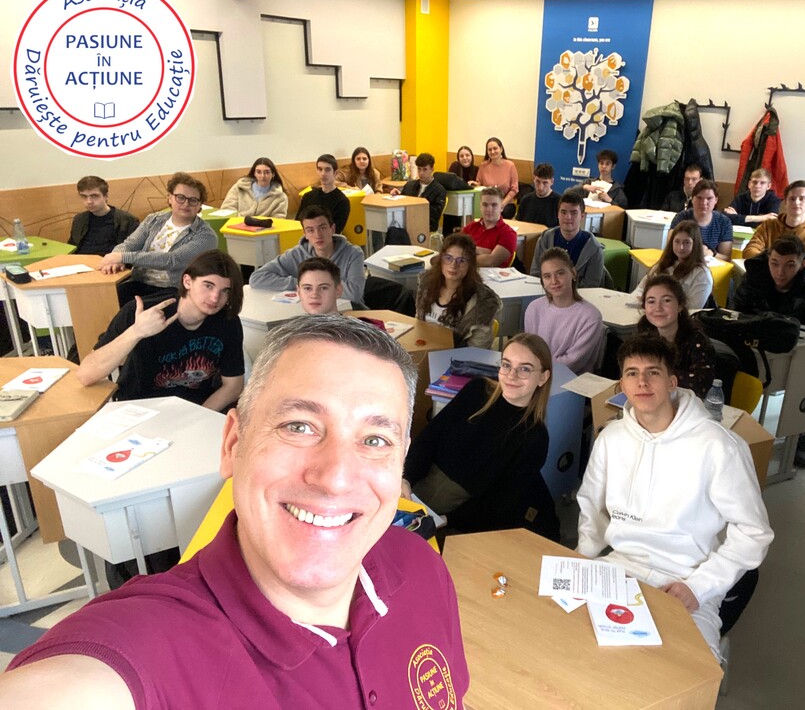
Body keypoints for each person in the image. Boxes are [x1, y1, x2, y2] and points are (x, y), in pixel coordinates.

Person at [2, 315, 470, 708]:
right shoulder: (151, 646)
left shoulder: (422, 566)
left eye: (375, 440)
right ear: (232, 444)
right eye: (299, 425)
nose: (335, 477)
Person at [576, 335, 772, 661]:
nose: (642, 382)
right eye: (632, 373)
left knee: (681, 671)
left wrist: (699, 586)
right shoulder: (611, 439)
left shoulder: (719, 447)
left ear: (672, 382)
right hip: (618, 568)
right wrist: (582, 557)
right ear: (622, 385)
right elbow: (591, 506)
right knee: (566, 647)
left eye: (653, 372)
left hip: (687, 582)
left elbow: (754, 532)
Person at [402, 333, 555, 538]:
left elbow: (500, 504)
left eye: (524, 369)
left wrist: (448, 520)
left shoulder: (535, 438)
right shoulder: (477, 390)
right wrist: (406, 477)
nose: (511, 375)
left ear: (543, 377)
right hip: (416, 487)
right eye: (506, 365)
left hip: (459, 518)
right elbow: (430, 437)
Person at [78, 250, 245, 412]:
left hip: (194, 407)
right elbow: (86, 374)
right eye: (208, 286)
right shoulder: (141, 311)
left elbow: (233, 385)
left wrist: (199, 415)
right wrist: (136, 331)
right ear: (187, 281)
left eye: (225, 291)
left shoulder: (228, 321)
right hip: (139, 408)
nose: (215, 297)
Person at [731, 235, 805, 468]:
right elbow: (737, 312)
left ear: (802, 263)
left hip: (796, 345)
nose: (780, 272)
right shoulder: (755, 275)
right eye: (774, 263)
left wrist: (783, 331)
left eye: (789, 265)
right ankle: (733, 424)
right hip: (755, 342)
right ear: (768, 259)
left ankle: (798, 433)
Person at [100, 172, 218, 303]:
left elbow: (172, 260)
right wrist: (115, 258)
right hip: (139, 281)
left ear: (200, 205)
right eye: (180, 197)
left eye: (193, 200)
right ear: (170, 198)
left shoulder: (206, 235)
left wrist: (123, 257)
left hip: (173, 290)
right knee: (105, 298)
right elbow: (130, 243)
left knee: (130, 309)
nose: (186, 204)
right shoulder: (154, 220)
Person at [249, 206, 365, 306]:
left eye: (322, 228)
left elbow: (354, 293)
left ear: (332, 229)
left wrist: (312, 286)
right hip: (309, 312)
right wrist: (302, 284)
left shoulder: (353, 254)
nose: (318, 235)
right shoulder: (297, 254)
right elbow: (257, 278)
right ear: (305, 234)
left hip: (349, 311)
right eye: (310, 230)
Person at [525, 248, 604, 374]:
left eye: (560, 273)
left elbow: (573, 362)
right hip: (536, 375)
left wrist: (537, 367)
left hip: (572, 379)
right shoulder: (534, 308)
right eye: (547, 276)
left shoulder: (591, 317)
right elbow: (529, 349)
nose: (554, 281)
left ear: (573, 273)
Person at [636, 274, 716, 398]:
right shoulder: (643, 333)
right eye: (651, 301)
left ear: (680, 306)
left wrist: (654, 372)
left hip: (686, 404)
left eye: (666, 300)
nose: (658, 308)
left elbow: (701, 386)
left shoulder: (697, 341)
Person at [415, 232, 501, 348]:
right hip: (424, 350)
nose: (453, 265)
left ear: (470, 264)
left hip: (458, 357)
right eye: (448, 258)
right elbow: (419, 323)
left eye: (461, 260)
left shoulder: (482, 303)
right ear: (441, 260)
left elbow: (477, 350)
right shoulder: (426, 284)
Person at [742, 180, 805, 271]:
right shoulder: (768, 226)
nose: (796, 202)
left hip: (801, 278)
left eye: (802, 199)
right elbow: (750, 250)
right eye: (792, 199)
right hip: (770, 274)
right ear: (785, 202)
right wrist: (772, 262)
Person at [630, 220, 714, 309]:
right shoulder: (664, 264)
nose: (681, 247)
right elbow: (641, 288)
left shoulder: (702, 274)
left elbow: (693, 308)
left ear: (695, 245)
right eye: (677, 241)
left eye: (686, 243)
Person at [530, 190, 605, 288]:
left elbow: (591, 285)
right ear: (558, 214)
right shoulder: (545, 240)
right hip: (547, 293)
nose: (568, 217)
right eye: (563, 212)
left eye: (574, 213)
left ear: (582, 216)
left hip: (579, 295)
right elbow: (535, 274)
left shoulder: (594, 248)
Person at [68, 175, 139, 256]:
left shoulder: (127, 220)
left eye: (94, 196)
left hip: (110, 261)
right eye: (84, 196)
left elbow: (134, 252)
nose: (89, 201)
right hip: (80, 261)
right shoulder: (79, 219)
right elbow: (72, 248)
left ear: (106, 196)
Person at [668, 179, 734, 261]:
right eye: (699, 198)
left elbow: (726, 258)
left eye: (709, 198)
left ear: (716, 200)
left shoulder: (724, 222)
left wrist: (712, 254)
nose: (704, 203)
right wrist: (696, 250)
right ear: (692, 199)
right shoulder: (681, 218)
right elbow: (670, 248)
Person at [390, 152, 447, 232]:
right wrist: (397, 196)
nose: (421, 173)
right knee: (392, 226)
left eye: (425, 169)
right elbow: (402, 203)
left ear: (432, 169)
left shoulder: (439, 190)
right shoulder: (410, 185)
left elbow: (434, 215)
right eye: (419, 169)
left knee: (396, 230)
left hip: (426, 224)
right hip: (407, 221)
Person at [461, 186, 517, 267]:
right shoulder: (470, 227)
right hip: (468, 272)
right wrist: (488, 251)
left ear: (501, 207)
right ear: (480, 207)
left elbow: (491, 261)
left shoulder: (509, 234)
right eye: (485, 205)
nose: (489, 209)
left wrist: (464, 257)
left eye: (494, 205)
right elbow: (455, 250)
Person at [297, 153, 351, 235]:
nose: (323, 174)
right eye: (320, 169)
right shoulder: (307, 197)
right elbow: (298, 223)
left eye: (327, 170)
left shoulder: (342, 201)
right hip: (306, 239)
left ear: (335, 173)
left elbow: (335, 231)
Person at [219, 157, 289, 218]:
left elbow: (278, 219)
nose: (262, 176)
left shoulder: (281, 197)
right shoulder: (239, 188)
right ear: (254, 173)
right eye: (259, 172)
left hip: (265, 228)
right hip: (237, 226)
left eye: (267, 172)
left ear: (273, 174)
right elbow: (227, 209)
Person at [470, 136, 519, 218]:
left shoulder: (510, 165)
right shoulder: (483, 166)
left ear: (501, 149)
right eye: (489, 149)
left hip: (506, 204)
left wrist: (502, 204)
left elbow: (514, 189)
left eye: (495, 148)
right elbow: (479, 185)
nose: (492, 151)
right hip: (487, 203)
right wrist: (473, 184)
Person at [516, 162, 561, 227]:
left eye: (545, 183)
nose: (540, 187)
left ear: (552, 182)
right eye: (538, 181)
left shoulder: (559, 202)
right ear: (534, 179)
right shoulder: (526, 200)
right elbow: (519, 223)